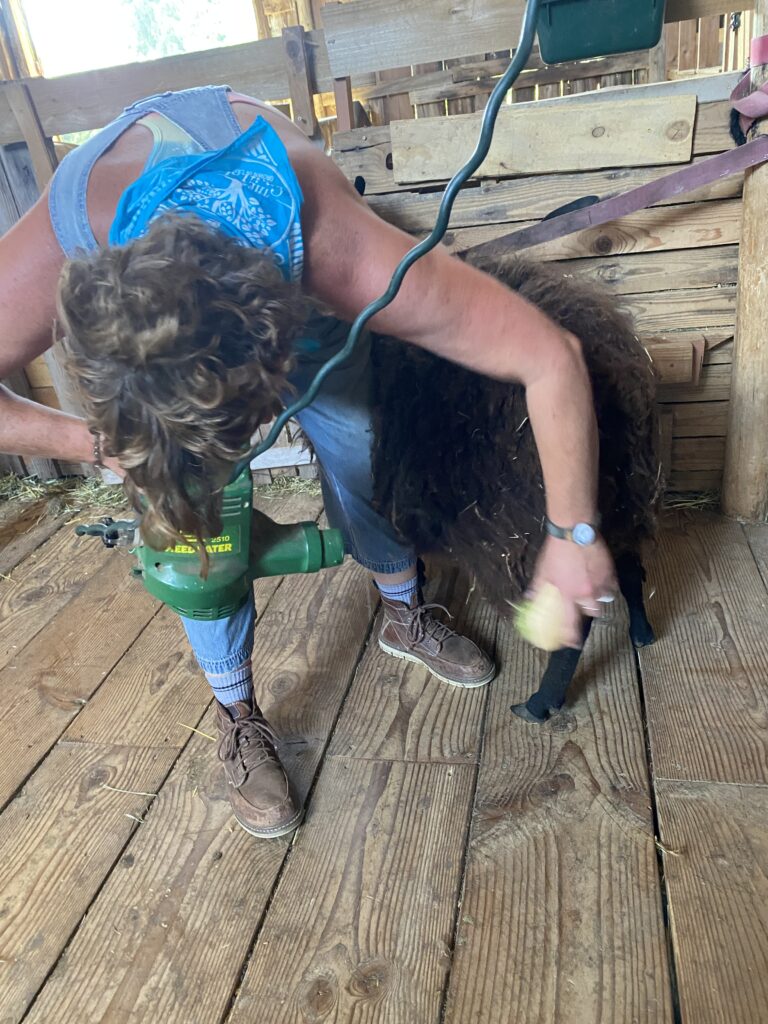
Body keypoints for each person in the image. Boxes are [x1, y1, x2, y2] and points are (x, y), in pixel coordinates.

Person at [0, 86, 616, 839]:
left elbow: (550, 356)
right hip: (175, 321)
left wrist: (574, 535)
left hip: (295, 294)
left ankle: (403, 611)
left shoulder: (343, 253)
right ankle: (237, 715)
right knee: (194, 528)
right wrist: (102, 446)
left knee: (363, 451)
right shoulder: (69, 231)